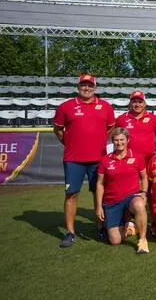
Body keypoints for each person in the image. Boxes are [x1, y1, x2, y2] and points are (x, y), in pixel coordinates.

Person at [53, 74, 116, 248]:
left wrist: (98, 141)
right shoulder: (66, 106)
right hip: (74, 159)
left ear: (95, 87)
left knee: (99, 194)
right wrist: (70, 143)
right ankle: (70, 232)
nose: (86, 88)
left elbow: (110, 128)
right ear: (78, 86)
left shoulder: (105, 107)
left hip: (99, 160)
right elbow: (58, 129)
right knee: (72, 194)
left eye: (90, 85)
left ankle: (101, 227)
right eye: (83, 85)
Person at [95, 128, 149, 253]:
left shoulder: (137, 158)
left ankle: (142, 240)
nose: (119, 143)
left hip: (131, 198)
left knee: (139, 204)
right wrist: (99, 206)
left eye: (122, 140)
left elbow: (144, 178)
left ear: (128, 140)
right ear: (112, 141)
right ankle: (130, 227)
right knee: (115, 241)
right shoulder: (105, 160)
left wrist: (144, 193)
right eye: (116, 140)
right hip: (112, 201)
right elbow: (100, 184)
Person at [114, 90, 156, 166]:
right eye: (134, 102)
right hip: (127, 160)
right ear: (130, 103)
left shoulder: (154, 119)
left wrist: (151, 150)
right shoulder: (121, 119)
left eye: (140, 102)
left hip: (148, 159)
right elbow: (115, 137)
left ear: (145, 104)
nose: (137, 104)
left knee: (147, 178)